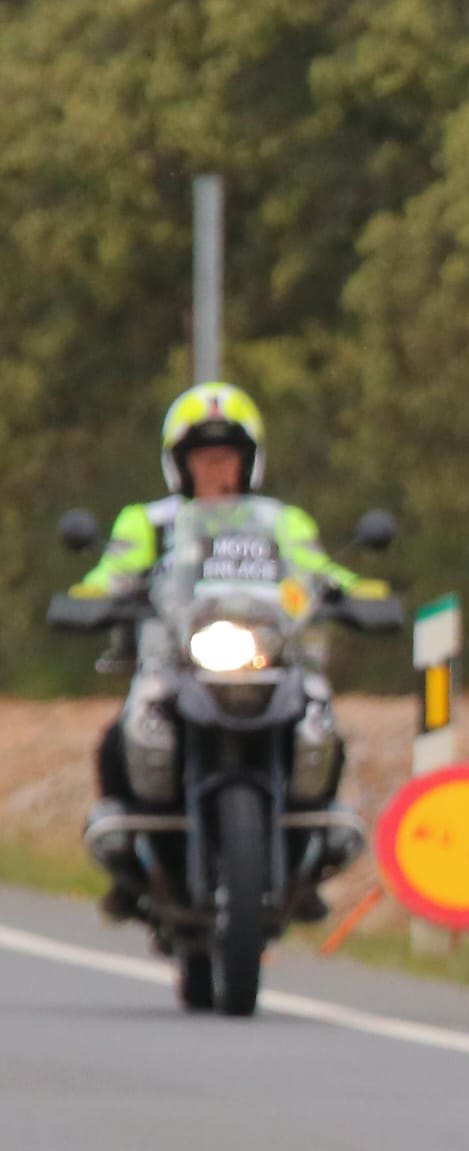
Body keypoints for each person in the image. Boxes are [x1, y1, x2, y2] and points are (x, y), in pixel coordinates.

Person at [76, 381, 386, 922]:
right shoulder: (147, 521)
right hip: (177, 662)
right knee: (122, 732)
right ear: (179, 463)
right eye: (202, 456)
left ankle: (307, 851)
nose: (215, 468)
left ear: (248, 461)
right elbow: (115, 570)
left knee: (320, 718)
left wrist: (355, 591)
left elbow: (316, 570)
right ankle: (131, 861)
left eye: (226, 456)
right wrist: (94, 593)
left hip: (269, 658)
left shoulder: (282, 521)